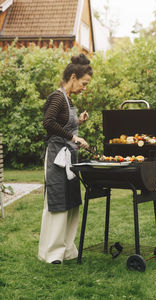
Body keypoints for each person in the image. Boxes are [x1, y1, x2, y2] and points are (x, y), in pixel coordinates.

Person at [38, 53, 93, 264]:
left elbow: (62, 124)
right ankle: (51, 254)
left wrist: (78, 122)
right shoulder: (57, 97)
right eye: (84, 83)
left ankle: (68, 249)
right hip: (56, 158)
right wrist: (73, 136)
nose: (84, 88)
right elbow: (48, 122)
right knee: (57, 203)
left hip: (69, 158)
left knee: (71, 203)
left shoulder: (68, 100)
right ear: (72, 77)